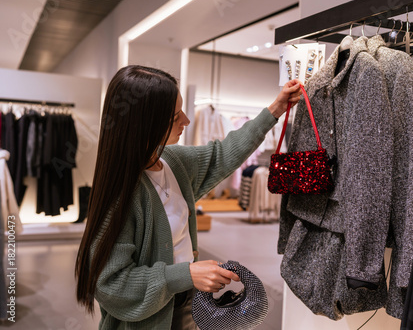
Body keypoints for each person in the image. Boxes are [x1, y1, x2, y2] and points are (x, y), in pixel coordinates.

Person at [75, 65, 301, 329]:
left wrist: (275, 110)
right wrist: (186, 274)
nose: (186, 120)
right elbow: (112, 285)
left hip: (186, 307)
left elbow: (223, 154)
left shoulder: (172, 161)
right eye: (174, 117)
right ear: (145, 124)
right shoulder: (121, 195)